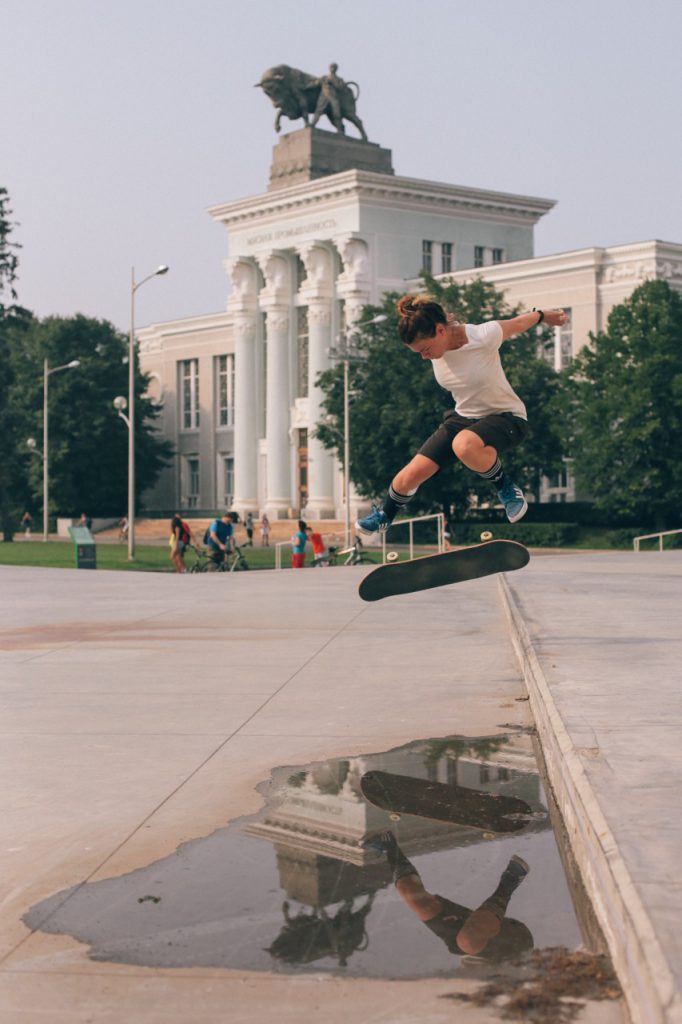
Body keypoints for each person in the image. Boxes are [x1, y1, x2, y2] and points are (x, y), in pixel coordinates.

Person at [356, 295, 568, 536]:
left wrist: (543, 315)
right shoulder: (436, 346)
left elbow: (518, 323)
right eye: (418, 353)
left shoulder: (483, 336)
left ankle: (506, 488)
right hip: (463, 419)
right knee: (409, 475)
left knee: (464, 444)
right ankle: (385, 516)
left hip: (507, 417)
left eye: (425, 350)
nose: (424, 357)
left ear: (440, 330)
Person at [365, 830, 533, 962]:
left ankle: (389, 846)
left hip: (468, 946)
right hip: (515, 945)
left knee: (412, 895)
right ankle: (508, 883)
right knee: (469, 940)